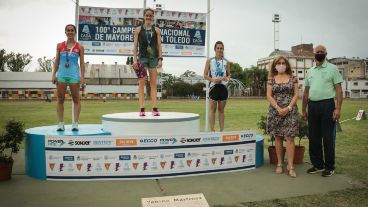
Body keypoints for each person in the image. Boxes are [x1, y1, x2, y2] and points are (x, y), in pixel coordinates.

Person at [302, 45, 343, 177]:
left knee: (327, 137)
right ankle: (318, 164)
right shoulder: (310, 71)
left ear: (326, 54)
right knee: (313, 137)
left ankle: (330, 167)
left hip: (327, 105)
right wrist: (304, 110)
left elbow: (338, 89)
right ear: (313, 54)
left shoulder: (333, 68)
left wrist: (337, 108)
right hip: (312, 106)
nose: (319, 54)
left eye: (322, 52)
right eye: (317, 52)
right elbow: (306, 92)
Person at [266, 56, 299, 178]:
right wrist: (278, 108)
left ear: (287, 65)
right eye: (278, 63)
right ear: (274, 65)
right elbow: (269, 96)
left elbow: (296, 95)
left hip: (290, 111)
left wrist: (288, 108)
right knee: (278, 137)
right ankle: (279, 164)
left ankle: (290, 166)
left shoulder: (293, 78)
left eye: (283, 63)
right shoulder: (271, 79)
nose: (281, 65)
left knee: (290, 138)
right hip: (276, 111)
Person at [52, 24, 85, 131]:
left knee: (76, 99)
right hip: (61, 75)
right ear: (65, 32)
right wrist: (53, 74)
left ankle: (75, 123)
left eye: (72, 30)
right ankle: (61, 123)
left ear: (75, 32)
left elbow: (82, 63)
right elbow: (57, 61)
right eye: (68, 30)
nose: (70, 32)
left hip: (74, 76)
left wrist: (83, 77)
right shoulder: (59, 45)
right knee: (60, 99)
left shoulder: (79, 47)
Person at [132, 8, 163, 116]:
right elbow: (135, 46)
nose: (148, 17)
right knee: (141, 82)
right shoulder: (138, 30)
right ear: (144, 16)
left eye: (150, 15)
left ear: (153, 17)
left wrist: (160, 58)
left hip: (153, 58)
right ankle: (142, 108)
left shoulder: (157, 30)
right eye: (147, 15)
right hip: (142, 58)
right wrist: (134, 59)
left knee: (153, 83)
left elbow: (159, 46)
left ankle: (154, 108)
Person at [203, 41, 231, 132]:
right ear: (215, 49)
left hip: (223, 88)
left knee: (221, 110)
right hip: (213, 87)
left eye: (221, 48)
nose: (219, 50)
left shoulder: (226, 62)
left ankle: (222, 131)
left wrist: (227, 78)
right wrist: (212, 80)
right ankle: (212, 130)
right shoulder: (210, 61)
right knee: (212, 110)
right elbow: (205, 75)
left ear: (223, 49)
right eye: (218, 48)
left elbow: (229, 75)